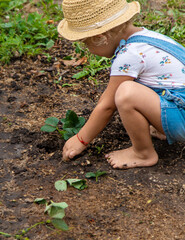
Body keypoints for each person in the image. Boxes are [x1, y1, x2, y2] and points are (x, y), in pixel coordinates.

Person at [57, 0, 185, 169]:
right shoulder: (149, 38)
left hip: (182, 116)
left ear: (100, 38)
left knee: (126, 93)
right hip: (179, 103)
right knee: (142, 85)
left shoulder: (128, 55)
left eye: (85, 43)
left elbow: (107, 106)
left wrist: (81, 139)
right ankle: (161, 128)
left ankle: (143, 153)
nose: (86, 48)